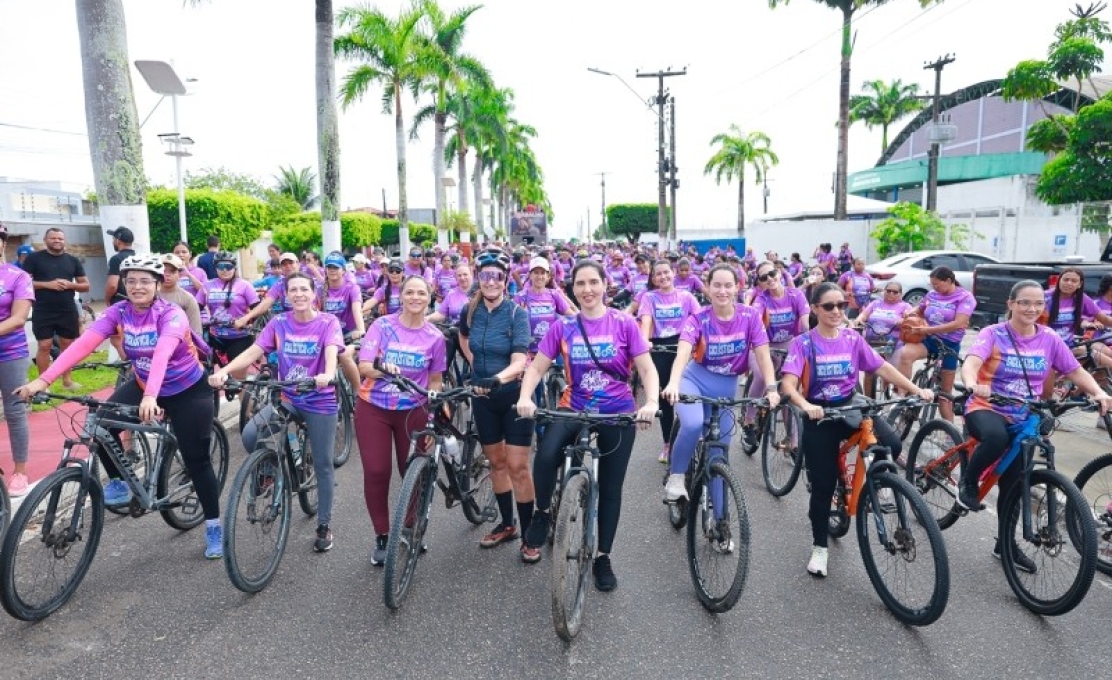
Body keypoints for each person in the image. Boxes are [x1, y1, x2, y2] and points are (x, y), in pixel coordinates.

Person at [16, 254, 224, 559]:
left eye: (144, 280)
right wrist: (42, 381)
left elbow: (163, 354)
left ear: (157, 283)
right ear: (124, 284)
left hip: (187, 390)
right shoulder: (119, 311)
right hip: (143, 384)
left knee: (197, 460)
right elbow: (84, 345)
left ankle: (213, 524)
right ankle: (119, 480)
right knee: (99, 422)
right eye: (131, 280)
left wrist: (152, 397)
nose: (137, 286)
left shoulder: (172, 314)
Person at [516, 259, 659, 588]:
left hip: (617, 411)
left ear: (604, 285)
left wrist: (650, 403)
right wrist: (526, 396)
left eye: (593, 282)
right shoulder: (563, 327)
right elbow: (536, 368)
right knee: (547, 452)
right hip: (574, 405)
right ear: (573, 290)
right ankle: (542, 513)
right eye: (580, 284)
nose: (587, 289)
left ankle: (603, 557)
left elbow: (647, 370)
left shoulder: (624, 323)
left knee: (610, 488)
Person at [780, 282, 933, 577]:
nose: (837, 311)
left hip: (851, 405)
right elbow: (788, 384)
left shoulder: (852, 338)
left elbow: (881, 368)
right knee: (823, 487)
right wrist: (805, 405)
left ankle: (873, 485)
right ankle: (820, 547)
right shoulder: (804, 343)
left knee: (892, 445)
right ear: (815, 309)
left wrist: (915, 389)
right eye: (829, 306)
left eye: (841, 305)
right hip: (820, 413)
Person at [959, 280, 1112, 568]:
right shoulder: (993, 333)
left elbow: (1075, 369)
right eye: (1025, 302)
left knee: (1015, 483)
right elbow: (972, 362)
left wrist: (1098, 392)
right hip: (987, 405)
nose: (1032, 308)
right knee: (995, 438)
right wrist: (971, 384)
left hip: (1024, 414)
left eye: (1038, 303)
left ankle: (1005, 546)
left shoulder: (1050, 338)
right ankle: (968, 480)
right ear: (1011, 304)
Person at [211, 272, 342, 553]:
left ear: (313, 293)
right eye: (292, 290)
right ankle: (270, 468)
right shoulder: (279, 322)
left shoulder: (327, 322)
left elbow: (331, 352)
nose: (298, 294)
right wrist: (224, 371)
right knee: (250, 434)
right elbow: (253, 352)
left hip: (320, 401)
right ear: (285, 295)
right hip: (288, 397)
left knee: (322, 465)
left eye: (303, 289)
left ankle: (324, 524)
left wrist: (327, 375)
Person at [661, 264, 780, 503]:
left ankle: (720, 524)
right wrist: (673, 383)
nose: (722, 291)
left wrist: (771, 388)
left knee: (719, 455)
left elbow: (763, 355)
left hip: (726, 391)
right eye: (717, 285)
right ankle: (676, 476)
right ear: (708, 287)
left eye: (728, 285)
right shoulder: (698, 319)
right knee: (693, 424)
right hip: (693, 382)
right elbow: (683, 353)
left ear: (738, 287)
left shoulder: (750, 316)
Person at [356, 275, 446, 565]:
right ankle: (382, 536)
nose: (415, 297)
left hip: (414, 410)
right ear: (401, 295)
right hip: (374, 407)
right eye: (410, 292)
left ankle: (408, 528)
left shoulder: (435, 337)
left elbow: (435, 380)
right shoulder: (381, 326)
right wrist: (385, 370)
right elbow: (365, 366)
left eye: (421, 293)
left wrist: (432, 418)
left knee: (413, 471)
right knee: (377, 471)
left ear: (429, 297)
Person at [457, 249, 536, 558]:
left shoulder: (517, 314)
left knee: (517, 466)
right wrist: (476, 365)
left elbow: (520, 362)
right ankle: (507, 524)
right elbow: (463, 338)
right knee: (496, 463)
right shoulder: (469, 311)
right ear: (479, 278)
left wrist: (495, 379)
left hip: (514, 398)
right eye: (485, 276)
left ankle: (529, 534)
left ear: (505, 281)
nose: (491, 281)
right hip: (482, 400)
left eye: (497, 276)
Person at [893, 266, 975, 422]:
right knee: (905, 353)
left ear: (949, 281)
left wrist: (927, 329)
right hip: (928, 340)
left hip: (949, 345)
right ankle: (903, 396)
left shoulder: (965, 297)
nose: (934, 288)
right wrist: (910, 313)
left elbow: (958, 324)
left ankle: (949, 432)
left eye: (937, 284)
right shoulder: (932, 294)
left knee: (945, 394)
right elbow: (921, 308)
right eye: (932, 285)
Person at [638, 259, 700, 463]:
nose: (663, 277)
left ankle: (690, 435)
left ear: (673, 273)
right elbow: (646, 321)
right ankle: (667, 443)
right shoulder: (649, 297)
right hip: (659, 348)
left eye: (666, 272)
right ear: (654, 278)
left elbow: (701, 320)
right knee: (665, 399)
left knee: (687, 393)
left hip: (683, 345)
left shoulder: (686, 296)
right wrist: (645, 341)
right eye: (658, 274)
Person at [746, 260, 810, 444]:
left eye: (772, 273)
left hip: (789, 344)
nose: (770, 279)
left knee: (788, 390)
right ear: (760, 282)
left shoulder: (796, 294)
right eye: (764, 277)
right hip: (763, 345)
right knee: (760, 376)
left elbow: (805, 324)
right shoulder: (761, 300)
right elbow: (756, 322)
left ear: (780, 272)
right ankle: (749, 420)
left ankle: (792, 440)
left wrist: (811, 342)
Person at [22, 227, 89, 389]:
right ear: (45, 240)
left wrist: (70, 284)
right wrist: (47, 285)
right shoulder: (34, 259)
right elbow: (23, 283)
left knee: (67, 345)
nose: (57, 241)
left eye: (60, 238)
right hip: (43, 310)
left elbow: (85, 285)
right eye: (53, 238)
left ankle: (67, 380)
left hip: (67, 309)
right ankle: (43, 384)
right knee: (44, 346)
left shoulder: (72, 260)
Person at [0, 223, 33, 496]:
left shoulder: (17, 276)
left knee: (14, 410)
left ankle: (20, 471)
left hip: (10, 352)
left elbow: (18, 318)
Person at [200, 251, 259, 382]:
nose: (225, 270)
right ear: (215, 268)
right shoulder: (208, 286)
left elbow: (257, 309)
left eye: (229, 266)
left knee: (238, 380)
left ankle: (242, 396)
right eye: (221, 267)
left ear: (234, 267)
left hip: (240, 337)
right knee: (202, 367)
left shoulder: (244, 285)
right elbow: (196, 307)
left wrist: (247, 320)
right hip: (216, 337)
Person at [237, 252, 299, 325]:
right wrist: (246, 318)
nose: (288, 266)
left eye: (291, 263)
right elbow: (266, 303)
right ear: (281, 267)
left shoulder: (311, 282)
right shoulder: (280, 284)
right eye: (284, 264)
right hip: (289, 324)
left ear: (298, 264)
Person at [158, 253, 203, 334]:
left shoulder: (188, 299)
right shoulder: (149, 296)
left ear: (179, 274)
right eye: (163, 271)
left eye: (172, 271)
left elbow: (196, 333)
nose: (167, 274)